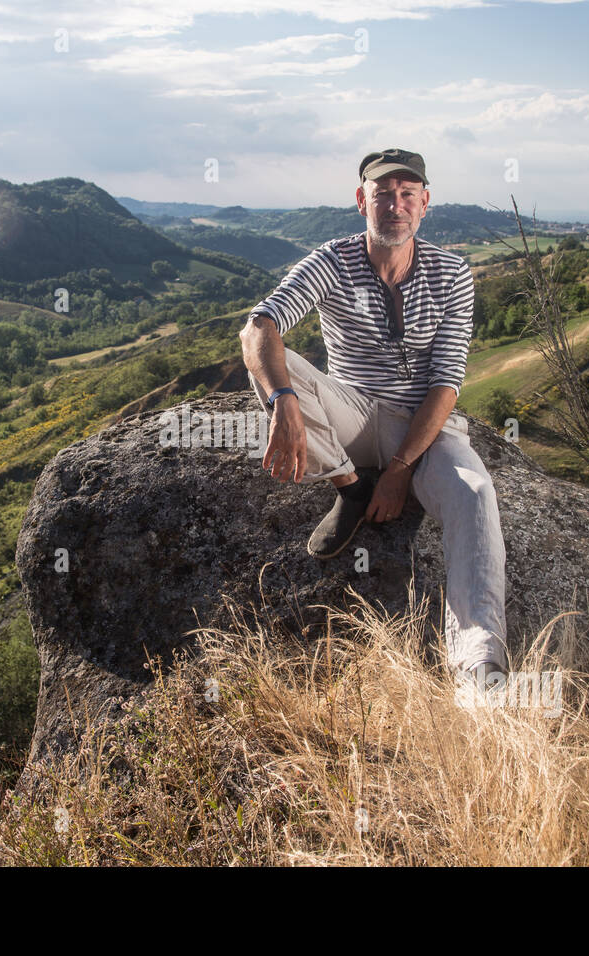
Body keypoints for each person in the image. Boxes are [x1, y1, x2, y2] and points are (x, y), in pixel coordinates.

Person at [238, 147, 508, 682]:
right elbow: (259, 326)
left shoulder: (451, 271)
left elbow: (447, 381)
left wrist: (402, 468)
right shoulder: (334, 260)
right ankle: (349, 484)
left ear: (425, 203)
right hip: (353, 415)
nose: (395, 205)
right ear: (362, 200)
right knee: (274, 363)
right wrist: (283, 403)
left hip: (424, 428)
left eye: (408, 194)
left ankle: (479, 662)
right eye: (383, 194)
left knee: (474, 495)